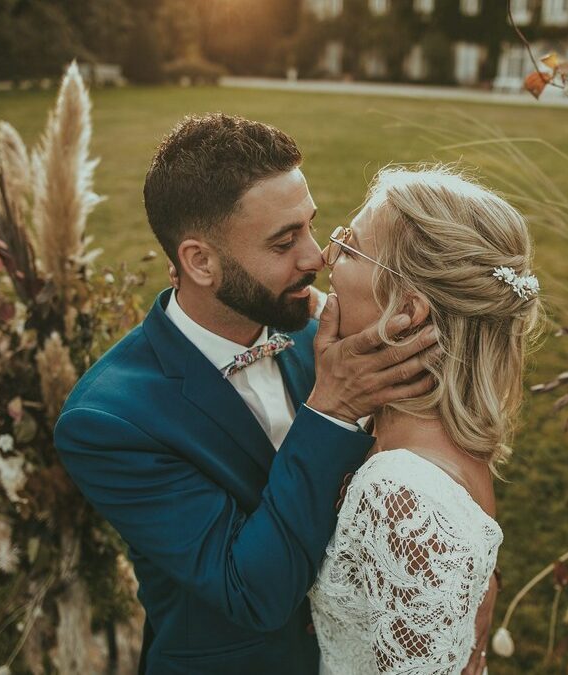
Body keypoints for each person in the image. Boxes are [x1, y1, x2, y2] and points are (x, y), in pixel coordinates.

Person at [53, 113, 443, 675]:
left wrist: (468, 572)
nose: (316, 257)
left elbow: (424, 461)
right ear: (200, 261)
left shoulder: (320, 333)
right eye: (285, 241)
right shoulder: (108, 421)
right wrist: (330, 412)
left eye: (310, 225)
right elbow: (251, 591)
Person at [309, 166, 542, 674]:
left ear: (407, 311)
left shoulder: (401, 493)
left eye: (348, 247)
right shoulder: (440, 441)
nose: (327, 257)